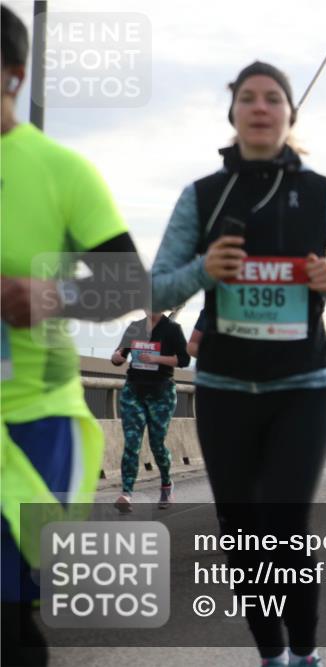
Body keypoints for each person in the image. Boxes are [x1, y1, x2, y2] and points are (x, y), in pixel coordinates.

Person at [151, 61, 326, 666]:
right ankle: (272, 656)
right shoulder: (201, 194)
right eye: (247, 98)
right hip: (225, 388)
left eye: (272, 98)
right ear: (233, 113)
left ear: (288, 114)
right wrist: (206, 271)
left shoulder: (323, 193)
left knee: (283, 531)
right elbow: (157, 290)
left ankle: (305, 655)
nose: (259, 107)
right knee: (244, 541)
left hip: (301, 386)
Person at [1, 7, 150, 664]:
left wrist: (51, 294)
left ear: (14, 76)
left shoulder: (60, 170)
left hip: (32, 425)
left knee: (9, 619)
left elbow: (128, 287)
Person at [110, 311, 191, 512]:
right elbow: (119, 355)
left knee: (157, 443)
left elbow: (184, 359)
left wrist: (157, 359)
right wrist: (117, 357)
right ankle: (126, 493)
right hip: (133, 391)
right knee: (131, 442)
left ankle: (166, 484)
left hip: (161, 393)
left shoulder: (172, 329)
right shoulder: (135, 327)